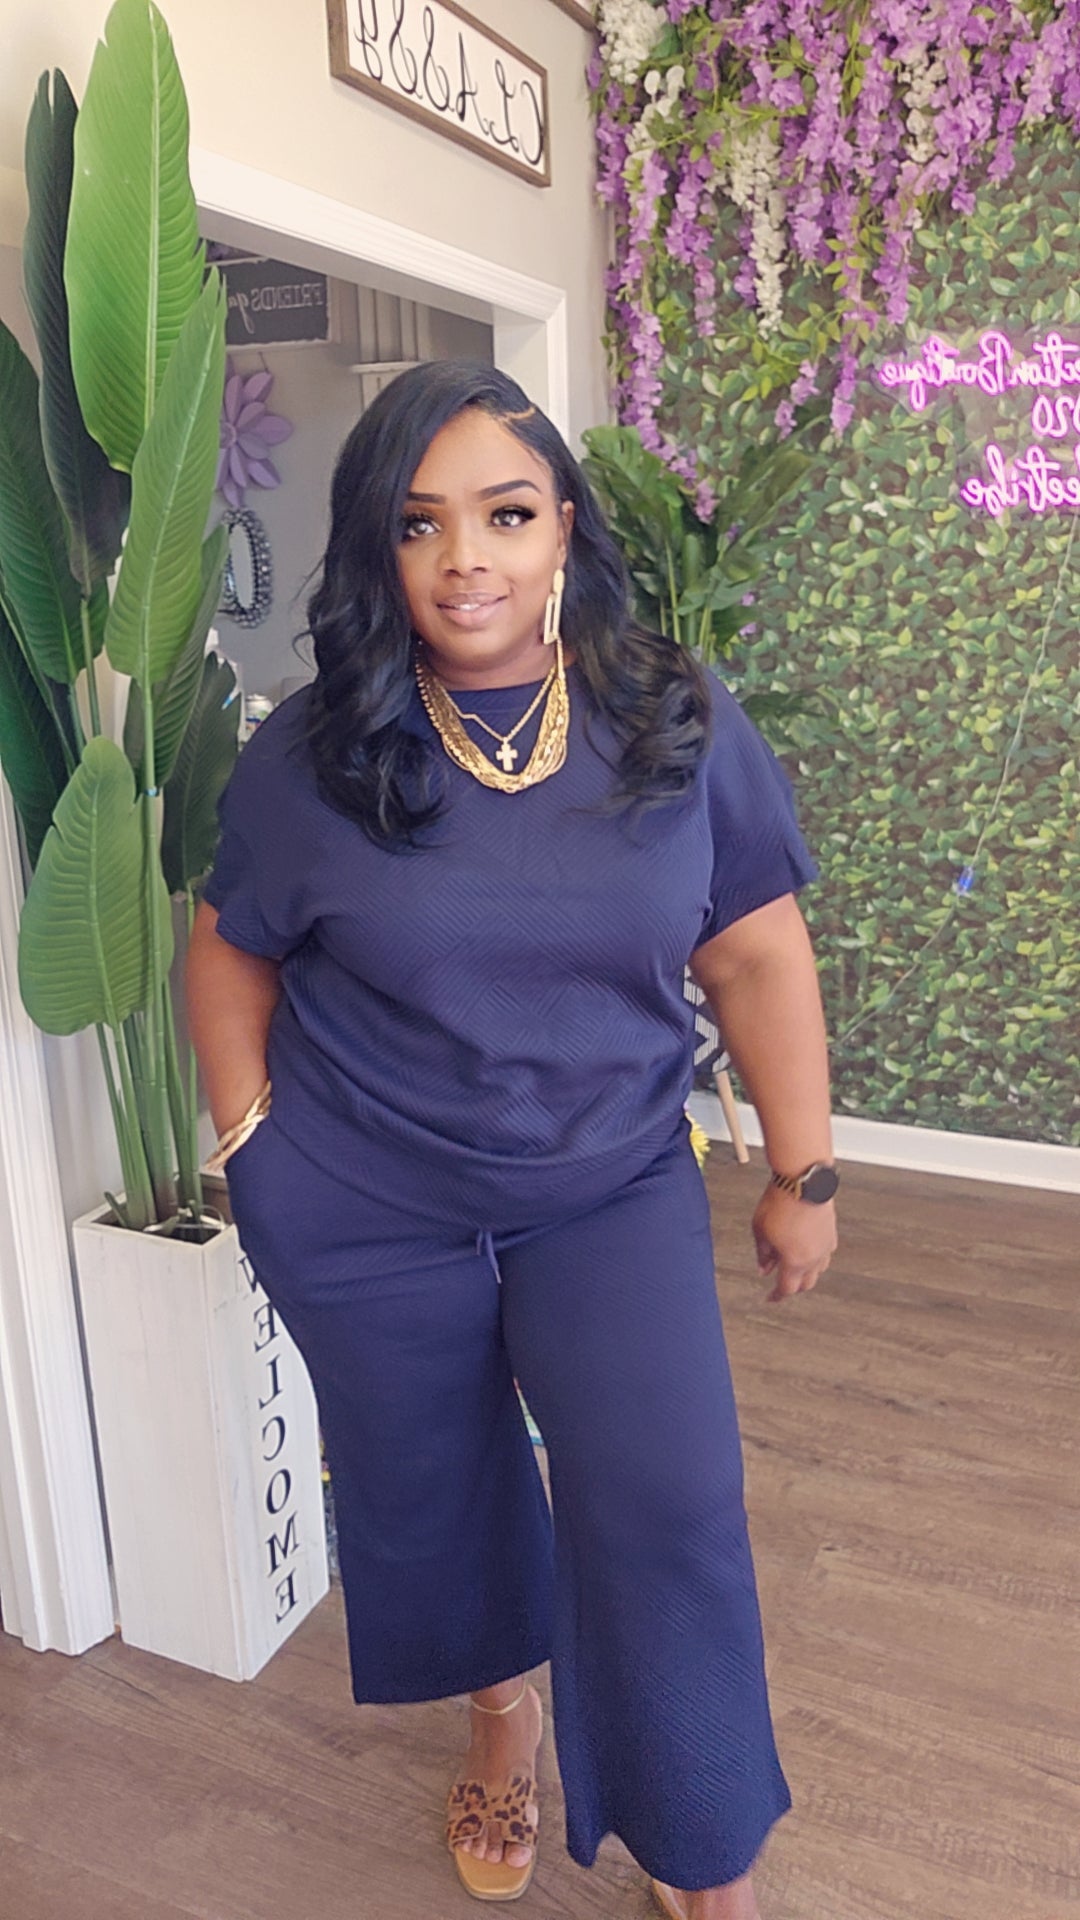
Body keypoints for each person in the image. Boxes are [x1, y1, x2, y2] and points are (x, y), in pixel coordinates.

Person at [186, 360, 838, 1920]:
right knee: (438, 1485)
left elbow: (756, 951)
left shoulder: (669, 717)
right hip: (366, 1198)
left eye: (507, 514)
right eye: (420, 523)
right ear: (378, 545)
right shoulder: (317, 751)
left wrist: (803, 1169)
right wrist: (250, 1140)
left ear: (563, 533)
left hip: (606, 1186)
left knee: (670, 1509)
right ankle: (503, 1721)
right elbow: (229, 946)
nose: (465, 559)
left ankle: (704, 1852)